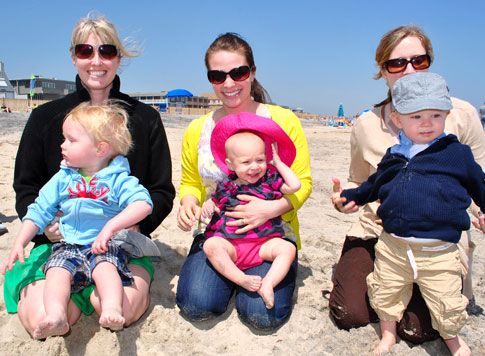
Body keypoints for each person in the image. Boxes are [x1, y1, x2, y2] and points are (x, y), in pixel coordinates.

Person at [6, 12, 175, 338]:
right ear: (74, 57)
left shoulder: (146, 118)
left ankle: (99, 298)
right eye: (86, 51)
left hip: (121, 246)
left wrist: (132, 224)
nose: (96, 61)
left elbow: (161, 191)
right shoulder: (45, 118)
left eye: (106, 51)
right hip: (60, 243)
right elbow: (26, 187)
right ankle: (66, 304)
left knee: (119, 309)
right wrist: (48, 228)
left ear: (118, 58)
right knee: (42, 318)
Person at [328, 25, 485, 344]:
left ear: (431, 61)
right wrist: (345, 200)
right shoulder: (366, 125)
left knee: (420, 329)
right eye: (397, 63)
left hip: (437, 240)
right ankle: (365, 278)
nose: (409, 70)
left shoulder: (462, 115)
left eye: (419, 60)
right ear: (382, 70)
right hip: (379, 232)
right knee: (351, 315)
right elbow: (359, 182)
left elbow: (474, 183)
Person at [176, 32, 312, 331]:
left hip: (270, 235)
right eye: (217, 75)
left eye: (238, 72)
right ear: (209, 78)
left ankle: (254, 278)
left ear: (252, 72)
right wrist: (188, 203)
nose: (229, 83)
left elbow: (302, 182)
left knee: (262, 316)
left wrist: (270, 209)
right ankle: (227, 277)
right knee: (197, 307)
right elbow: (189, 182)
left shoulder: (284, 120)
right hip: (220, 235)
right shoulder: (197, 129)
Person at [3, 101, 154, 338]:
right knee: (56, 272)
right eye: (64, 138)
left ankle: (112, 309)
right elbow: (38, 210)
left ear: (100, 149)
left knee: (106, 269)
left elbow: (143, 203)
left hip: (104, 246)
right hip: (68, 245)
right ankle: (56, 316)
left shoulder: (118, 179)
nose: (62, 145)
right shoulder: (64, 178)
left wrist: (112, 226)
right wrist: (20, 241)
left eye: (71, 140)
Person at [202, 113, 301, 309]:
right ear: (230, 165)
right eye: (246, 162)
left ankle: (268, 284)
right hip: (232, 246)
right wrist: (208, 205)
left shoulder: (271, 180)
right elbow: (215, 202)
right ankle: (240, 279)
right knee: (211, 246)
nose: (255, 167)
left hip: (263, 244)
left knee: (288, 248)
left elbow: (295, 186)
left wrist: (278, 164)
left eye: (260, 160)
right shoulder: (226, 185)